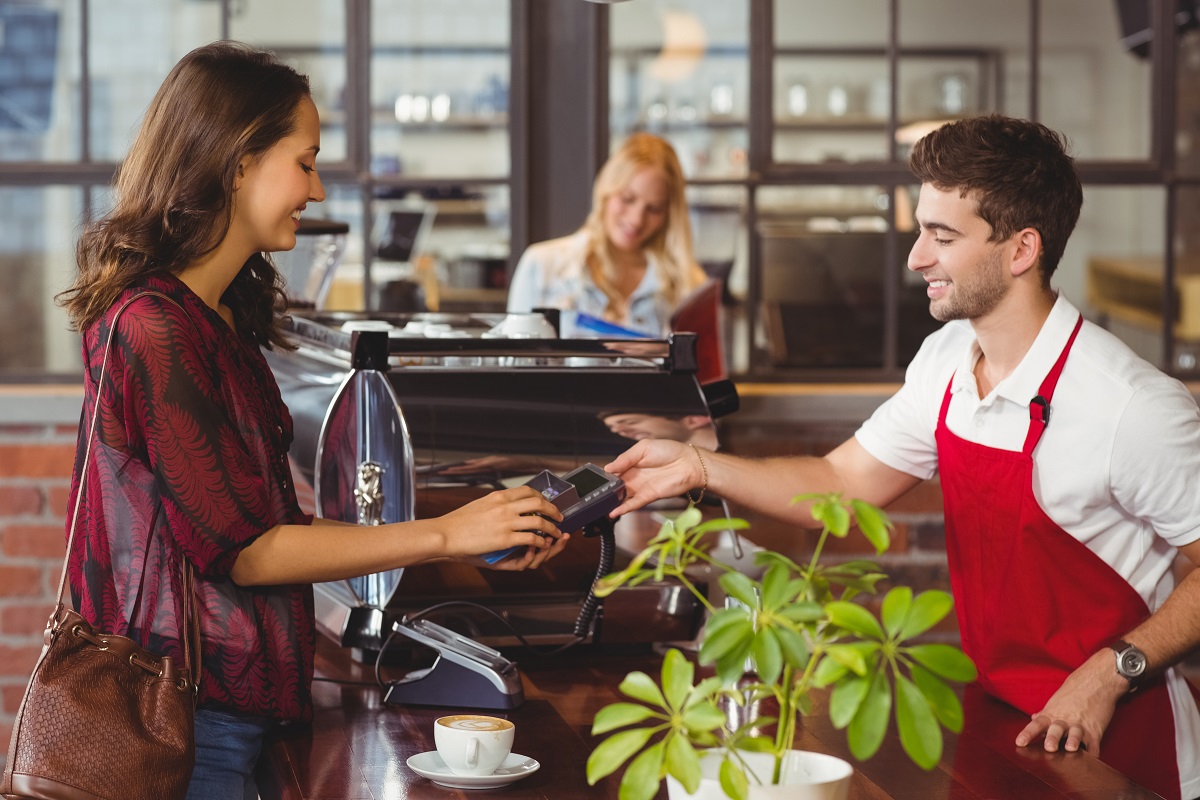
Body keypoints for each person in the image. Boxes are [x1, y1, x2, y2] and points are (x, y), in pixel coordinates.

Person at [604, 114, 1200, 800]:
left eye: (941, 237)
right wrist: (695, 465)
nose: (915, 256)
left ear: (1021, 250)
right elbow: (842, 481)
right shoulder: (947, 362)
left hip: (1123, 749)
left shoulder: (1132, 406)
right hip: (1002, 725)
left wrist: (1112, 669)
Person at [57, 42, 566, 800]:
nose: (318, 189)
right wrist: (448, 535)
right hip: (182, 723)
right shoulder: (154, 328)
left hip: (229, 714)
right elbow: (247, 552)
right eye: (306, 160)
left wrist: (473, 524)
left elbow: (271, 521)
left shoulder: (214, 319)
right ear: (235, 162)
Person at [507, 132, 708, 336]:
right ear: (605, 192)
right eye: (627, 199)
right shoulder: (541, 266)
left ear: (669, 215)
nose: (636, 219)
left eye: (654, 209)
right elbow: (514, 362)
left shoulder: (689, 285)